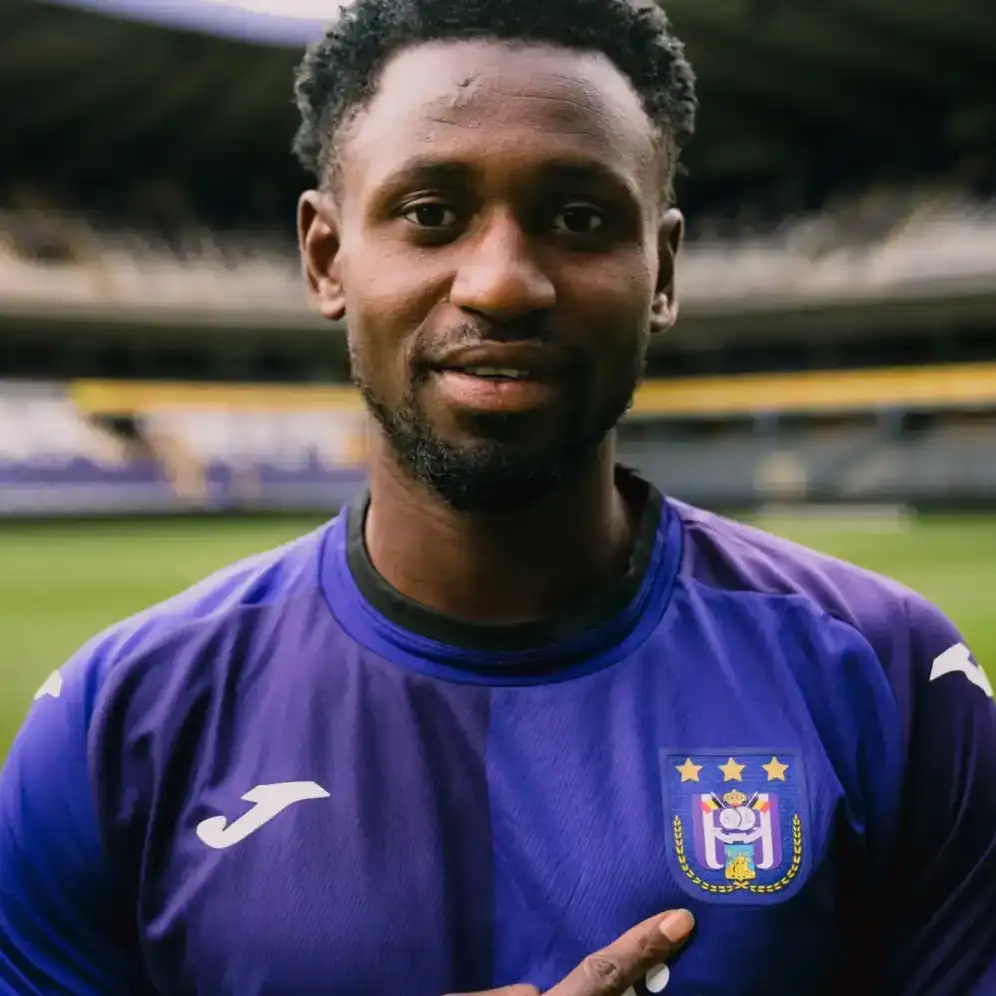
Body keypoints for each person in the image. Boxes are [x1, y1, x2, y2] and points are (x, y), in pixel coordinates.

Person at [1, 0, 994, 993]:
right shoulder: (115, 724)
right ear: (326, 257)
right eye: (431, 214)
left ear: (663, 271)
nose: (503, 284)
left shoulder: (891, 679)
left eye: (580, 219)